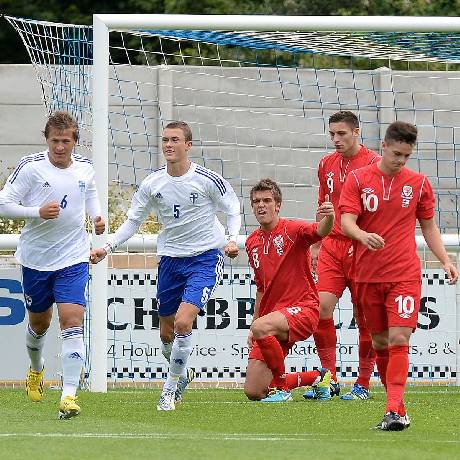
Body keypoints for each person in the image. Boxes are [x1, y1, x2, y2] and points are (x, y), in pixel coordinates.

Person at [90, 121, 241, 411]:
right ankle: (183, 374)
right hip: (170, 260)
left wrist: (232, 240)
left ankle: (169, 390)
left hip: (206, 256)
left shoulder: (208, 180)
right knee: (166, 334)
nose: (169, 145)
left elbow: (232, 208)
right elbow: (133, 221)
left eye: (175, 140)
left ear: (188, 146)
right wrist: (106, 247)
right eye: (165, 140)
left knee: (184, 322)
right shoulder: (152, 183)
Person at [339, 121, 458, 430]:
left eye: (406, 156)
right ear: (383, 147)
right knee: (379, 342)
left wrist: (444, 259)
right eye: (396, 154)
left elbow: (429, 226)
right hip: (366, 275)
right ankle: (399, 410)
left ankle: (392, 409)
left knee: (399, 337)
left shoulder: (418, 183)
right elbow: (347, 221)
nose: (401, 161)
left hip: (404, 274)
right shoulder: (357, 179)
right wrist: (362, 235)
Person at [0, 111, 105, 419]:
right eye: (55, 141)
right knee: (39, 324)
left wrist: (96, 217)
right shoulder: (31, 168)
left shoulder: (85, 168)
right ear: (46, 140)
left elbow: (91, 193)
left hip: (73, 257)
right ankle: (36, 370)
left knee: (73, 320)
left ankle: (69, 395)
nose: (60, 147)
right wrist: (35, 212)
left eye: (66, 141)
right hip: (36, 259)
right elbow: (3, 204)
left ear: (75, 142)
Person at [305, 111, 380, 401]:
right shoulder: (326, 164)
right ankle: (330, 379)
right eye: (332, 134)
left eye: (342, 134)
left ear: (356, 132)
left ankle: (362, 383)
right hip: (332, 246)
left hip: (362, 248)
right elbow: (323, 205)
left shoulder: (374, 164)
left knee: (365, 318)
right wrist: (315, 244)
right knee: (321, 308)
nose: (336, 139)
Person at [244, 178, 335, 403]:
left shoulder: (293, 229)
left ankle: (282, 390)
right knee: (254, 390)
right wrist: (254, 326)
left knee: (262, 328)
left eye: (267, 200)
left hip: (303, 309)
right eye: (256, 201)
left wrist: (330, 217)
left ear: (278, 205)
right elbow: (261, 288)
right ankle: (319, 377)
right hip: (273, 319)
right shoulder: (252, 242)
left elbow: (320, 231)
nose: (261, 205)